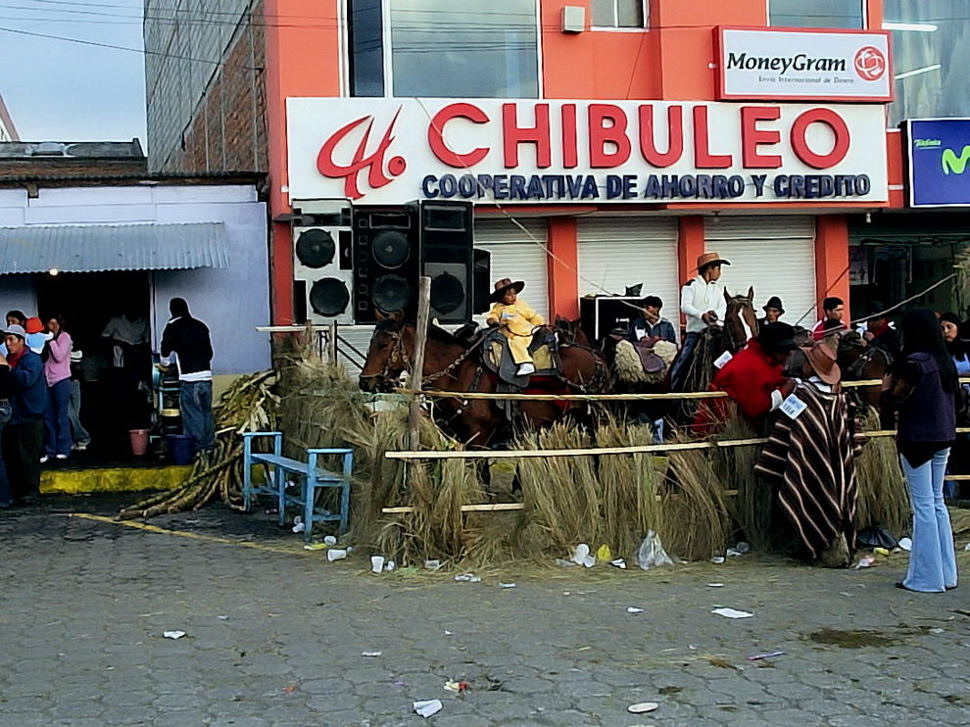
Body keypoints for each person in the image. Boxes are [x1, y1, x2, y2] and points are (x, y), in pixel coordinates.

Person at [755, 341, 861, 567]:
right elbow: (851, 430)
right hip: (837, 462)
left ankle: (816, 545)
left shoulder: (801, 394)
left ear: (811, 368)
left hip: (807, 461)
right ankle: (837, 543)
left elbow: (783, 423)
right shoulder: (840, 396)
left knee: (809, 490)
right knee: (837, 491)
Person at [881, 308, 960, 593]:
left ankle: (926, 578)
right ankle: (946, 573)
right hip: (944, 437)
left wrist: (885, 391)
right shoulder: (944, 362)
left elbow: (894, 401)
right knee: (937, 504)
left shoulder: (914, 364)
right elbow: (959, 404)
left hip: (917, 439)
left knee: (923, 506)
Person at [693, 322, 798, 434]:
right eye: (785, 351)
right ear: (772, 349)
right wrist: (784, 391)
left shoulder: (766, 360)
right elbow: (755, 408)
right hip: (724, 432)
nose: (789, 354)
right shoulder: (750, 366)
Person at [160, 298, 215, 454]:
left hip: (190, 379)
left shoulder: (173, 326)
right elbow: (210, 353)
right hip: (206, 376)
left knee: (193, 414)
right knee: (206, 413)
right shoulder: (201, 325)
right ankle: (209, 446)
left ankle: (198, 449)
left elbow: (165, 349)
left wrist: (165, 364)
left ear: (172, 310)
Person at [0, 324, 47, 505]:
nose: (8, 343)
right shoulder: (11, 359)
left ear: (21, 341)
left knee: (28, 455)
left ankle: (30, 491)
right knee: (15, 455)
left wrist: (9, 371)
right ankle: (19, 491)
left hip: (30, 413)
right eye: (6, 340)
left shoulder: (31, 359)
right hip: (15, 414)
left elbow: (25, 380)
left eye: (12, 339)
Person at [670, 252, 730, 388]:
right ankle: (673, 390)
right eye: (718, 268)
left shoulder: (717, 289)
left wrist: (715, 313)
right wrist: (701, 315)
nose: (719, 273)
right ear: (709, 269)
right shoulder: (691, 286)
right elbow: (685, 306)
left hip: (716, 334)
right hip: (695, 334)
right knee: (682, 362)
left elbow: (724, 307)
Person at [485, 278, 545, 376]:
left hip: (523, 335)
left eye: (514, 294)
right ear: (501, 297)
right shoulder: (498, 307)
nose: (513, 297)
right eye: (508, 295)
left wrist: (541, 323)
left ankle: (526, 363)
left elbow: (532, 315)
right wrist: (493, 321)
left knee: (516, 342)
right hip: (505, 335)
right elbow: (493, 316)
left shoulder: (521, 304)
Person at [940, 312, 970, 500]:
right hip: (948, 407)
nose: (945, 331)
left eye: (949, 327)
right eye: (941, 328)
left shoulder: (967, 350)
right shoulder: (939, 352)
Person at [42, 315, 74, 462]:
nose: (51, 326)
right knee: (48, 416)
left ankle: (64, 449)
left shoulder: (64, 337)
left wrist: (52, 341)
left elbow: (59, 356)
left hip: (61, 380)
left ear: (60, 325)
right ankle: (50, 450)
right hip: (48, 380)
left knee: (61, 416)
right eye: (49, 323)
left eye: (54, 323)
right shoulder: (46, 340)